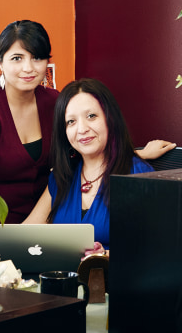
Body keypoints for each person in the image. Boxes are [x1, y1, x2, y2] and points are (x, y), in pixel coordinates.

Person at [0, 20, 174, 224]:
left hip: (48, 219)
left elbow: (80, 147)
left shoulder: (55, 102)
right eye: (17, 58)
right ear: (0, 61)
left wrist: (136, 156)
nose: (28, 68)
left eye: (36, 57)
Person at [23, 78, 154, 252]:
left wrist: (105, 255)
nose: (81, 129)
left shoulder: (139, 175)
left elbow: (153, 249)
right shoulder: (61, 177)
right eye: (71, 122)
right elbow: (23, 236)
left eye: (91, 116)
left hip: (116, 277)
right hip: (62, 277)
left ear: (110, 118)